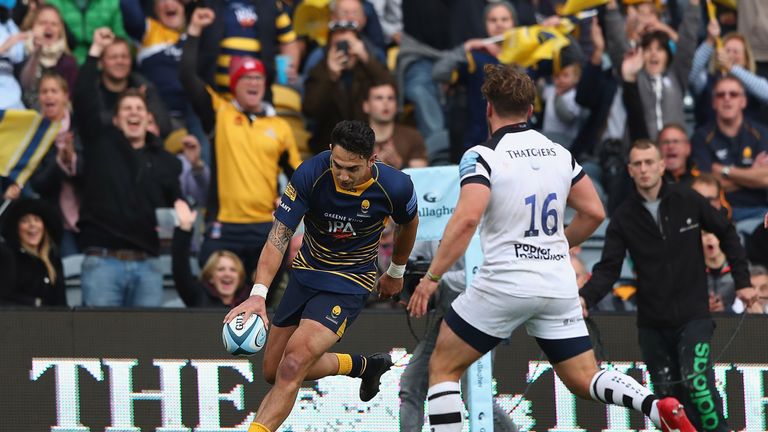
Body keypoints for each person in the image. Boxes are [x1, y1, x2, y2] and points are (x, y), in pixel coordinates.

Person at [407, 64, 695, 432]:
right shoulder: (559, 153)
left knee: (443, 368)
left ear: (488, 108)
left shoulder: (482, 155)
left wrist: (432, 277)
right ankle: (655, 406)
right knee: (584, 377)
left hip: (505, 283)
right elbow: (594, 211)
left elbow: (465, 221)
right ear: (531, 110)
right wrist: (557, 244)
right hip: (557, 285)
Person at [224, 120, 420, 432]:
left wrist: (396, 272)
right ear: (330, 152)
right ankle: (364, 366)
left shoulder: (395, 186)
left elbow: (409, 223)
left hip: (349, 281)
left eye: (352, 169)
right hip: (306, 272)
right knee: (274, 371)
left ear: (372, 160)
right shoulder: (310, 174)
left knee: (292, 365)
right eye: (337, 165)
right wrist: (258, 295)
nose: (342, 175)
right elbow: (279, 236)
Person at [580, 139, 757, 431]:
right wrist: (585, 298)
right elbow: (608, 268)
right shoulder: (623, 216)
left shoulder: (688, 199)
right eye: (637, 164)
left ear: (662, 166)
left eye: (650, 162)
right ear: (630, 170)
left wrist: (743, 282)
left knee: (697, 384)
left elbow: (726, 232)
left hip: (694, 317)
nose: (644, 169)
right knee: (668, 404)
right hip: (652, 324)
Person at [180, 7, 302, 283]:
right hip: (225, 226)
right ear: (234, 84)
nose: (253, 83)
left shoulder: (279, 126)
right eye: (246, 78)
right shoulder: (219, 113)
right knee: (213, 293)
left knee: (264, 301)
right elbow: (187, 76)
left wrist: (291, 204)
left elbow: (299, 174)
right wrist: (194, 32)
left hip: (265, 226)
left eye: (258, 77)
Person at [75, 27, 181, 307]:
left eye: (139, 109)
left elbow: (175, 195)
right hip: (103, 262)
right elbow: (83, 98)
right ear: (116, 120)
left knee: (147, 348)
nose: (133, 113)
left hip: (148, 266)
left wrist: (181, 202)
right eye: (127, 109)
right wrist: (95, 52)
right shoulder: (100, 143)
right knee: (97, 346)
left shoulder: (163, 159)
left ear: (149, 118)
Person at [398, 240, 518, 432]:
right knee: (410, 385)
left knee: (476, 398)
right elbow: (411, 263)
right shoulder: (433, 220)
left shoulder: (479, 225)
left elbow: (487, 274)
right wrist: (403, 277)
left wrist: (435, 281)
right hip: (449, 318)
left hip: (481, 317)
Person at [303, 19, 391, 155]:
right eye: (339, 45)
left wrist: (366, 58)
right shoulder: (319, 71)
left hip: (367, 145)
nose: (345, 51)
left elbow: (392, 90)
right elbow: (311, 110)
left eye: (350, 44)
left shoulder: (369, 68)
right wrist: (330, 77)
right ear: (329, 49)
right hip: (330, 148)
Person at [691, 75, 768, 221]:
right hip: (717, 214)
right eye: (721, 95)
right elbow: (706, 185)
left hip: (759, 211)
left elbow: (766, 180)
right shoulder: (701, 137)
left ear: (743, 101)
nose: (727, 98)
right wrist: (753, 174)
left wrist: (725, 171)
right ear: (714, 102)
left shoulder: (761, 134)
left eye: (733, 94)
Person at [27, 71, 83, 257]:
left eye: (54, 91)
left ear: (65, 96)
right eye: (44, 91)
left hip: (87, 215)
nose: (49, 96)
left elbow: (93, 174)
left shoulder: (80, 128)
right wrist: (59, 161)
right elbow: (38, 184)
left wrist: (73, 159)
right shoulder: (33, 135)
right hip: (55, 219)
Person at [171, 199, 247, 308]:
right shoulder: (197, 296)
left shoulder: (251, 299)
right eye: (220, 269)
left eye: (233, 270)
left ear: (240, 277)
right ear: (211, 277)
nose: (227, 274)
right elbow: (180, 268)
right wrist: (184, 229)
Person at [0, 198, 67, 307]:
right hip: (16, 320)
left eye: (37, 219)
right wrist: (35, 303)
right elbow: (4, 296)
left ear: (44, 226)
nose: (32, 225)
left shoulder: (53, 258)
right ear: (16, 228)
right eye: (25, 221)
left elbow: (61, 302)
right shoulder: (7, 255)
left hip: (50, 321)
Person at [18, 4, 78, 110]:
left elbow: (69, 102)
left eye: (54, 24)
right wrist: (36, 54)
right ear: (32, 26)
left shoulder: (68, 62)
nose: (48, 27)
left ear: (60, 30)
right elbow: (26, 84)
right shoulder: (20, 51)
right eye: (43, 23)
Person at [363, 81, 427, 169]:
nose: (385, 103)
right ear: (366, 106)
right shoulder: (355, 139)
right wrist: (373, 168)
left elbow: (420, 178)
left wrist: (399, 166)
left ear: (396, 105)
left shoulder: (412, 136)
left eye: (390, 98)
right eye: (379, 98)